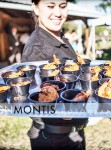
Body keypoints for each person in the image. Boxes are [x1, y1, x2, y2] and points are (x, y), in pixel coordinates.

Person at [22, 0, 88, 150]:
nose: (58, 13)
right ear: (36, 8)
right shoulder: (37, 48)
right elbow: (42, 103)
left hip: (72, 131)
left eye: (62, 6)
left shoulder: (59, 37)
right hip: (55, 138)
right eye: (51, 6)